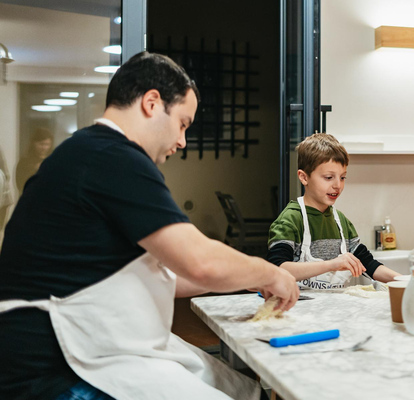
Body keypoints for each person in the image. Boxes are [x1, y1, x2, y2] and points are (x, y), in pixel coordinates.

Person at [0, 52, 299, 400]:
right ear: (152, 103)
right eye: (183, 124)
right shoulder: (112, 157)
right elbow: (199, 261)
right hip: (52, 368)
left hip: (83, 345)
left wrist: (243, 279)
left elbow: (166, 275)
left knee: (241, 389)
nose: (183, 141)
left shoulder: (89, 152)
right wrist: (268, 272)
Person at [267, 133, 400, 289]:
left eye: (342, 177)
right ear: (304, 177)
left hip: (337, 310)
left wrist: (404, 280)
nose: (338, 185)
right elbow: (277, 269)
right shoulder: (290, 220)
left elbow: (369, 265)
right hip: (299, 310)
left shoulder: (341, 222)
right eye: (329, 177)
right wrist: (332, 264)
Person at [15, 127, 53, 192]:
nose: (44, 147)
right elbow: (20, 184)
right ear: (34, 143)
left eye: (47, 144)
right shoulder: (25, 161)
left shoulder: (52, 160)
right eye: (41, 144)